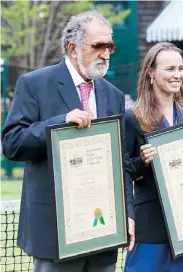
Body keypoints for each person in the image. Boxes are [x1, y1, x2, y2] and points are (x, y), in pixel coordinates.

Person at [1, 11, 135, 271]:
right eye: (98, 46)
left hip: (103, 233)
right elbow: (12, 143)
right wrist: (59, 124)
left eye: (110, 46)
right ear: (73, 48)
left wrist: (127, 213)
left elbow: (122, 162)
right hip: (55, 234)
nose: (106, 53)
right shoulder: (34, 83)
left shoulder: (113, 95)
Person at [123, 42, 183, 272]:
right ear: (150, 72)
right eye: (170, 69)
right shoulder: (132, 117)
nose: (177, 75)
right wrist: (142, 161)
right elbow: (125, 171)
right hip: (153, 223)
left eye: (180, 69)